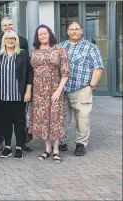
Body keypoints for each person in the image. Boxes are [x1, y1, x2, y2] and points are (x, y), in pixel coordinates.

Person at [58, 21, 104, 156]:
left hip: (82, 89)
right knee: (62, 118)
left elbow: (98, 67)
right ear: (67, 32)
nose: (74, 31)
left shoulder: (91, 48)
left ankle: (80, 144)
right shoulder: (61, 46)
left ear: (82, 31)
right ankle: (61, 142)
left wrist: (91, 86)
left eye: (77, 29)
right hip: (63, 90)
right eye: (71, 29)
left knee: (82, 119)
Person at [0, 16, 31, 153]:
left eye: (10, 24)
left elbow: (27, 69)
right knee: (1, 118)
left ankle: (21, 143)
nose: (8, 27)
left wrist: (28, 90)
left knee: (20, 119)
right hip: (1, 92)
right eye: (5, 25)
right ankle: (1, 142)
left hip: (17, 92)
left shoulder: (23, 45)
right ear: (1, 27)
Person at [29, 24, 70, 163]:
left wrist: (59, 90)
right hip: (39, 92)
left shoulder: (59, 50)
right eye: (40, 34)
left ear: (49, 34)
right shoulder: (34, 52)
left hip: (54, 90)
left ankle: (56, 150)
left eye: (45, 33)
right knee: (43, 120)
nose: (43, 36)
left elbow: (65, 73)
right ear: (37, 37)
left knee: (55, 119)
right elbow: (31, 72)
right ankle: (47, 149)